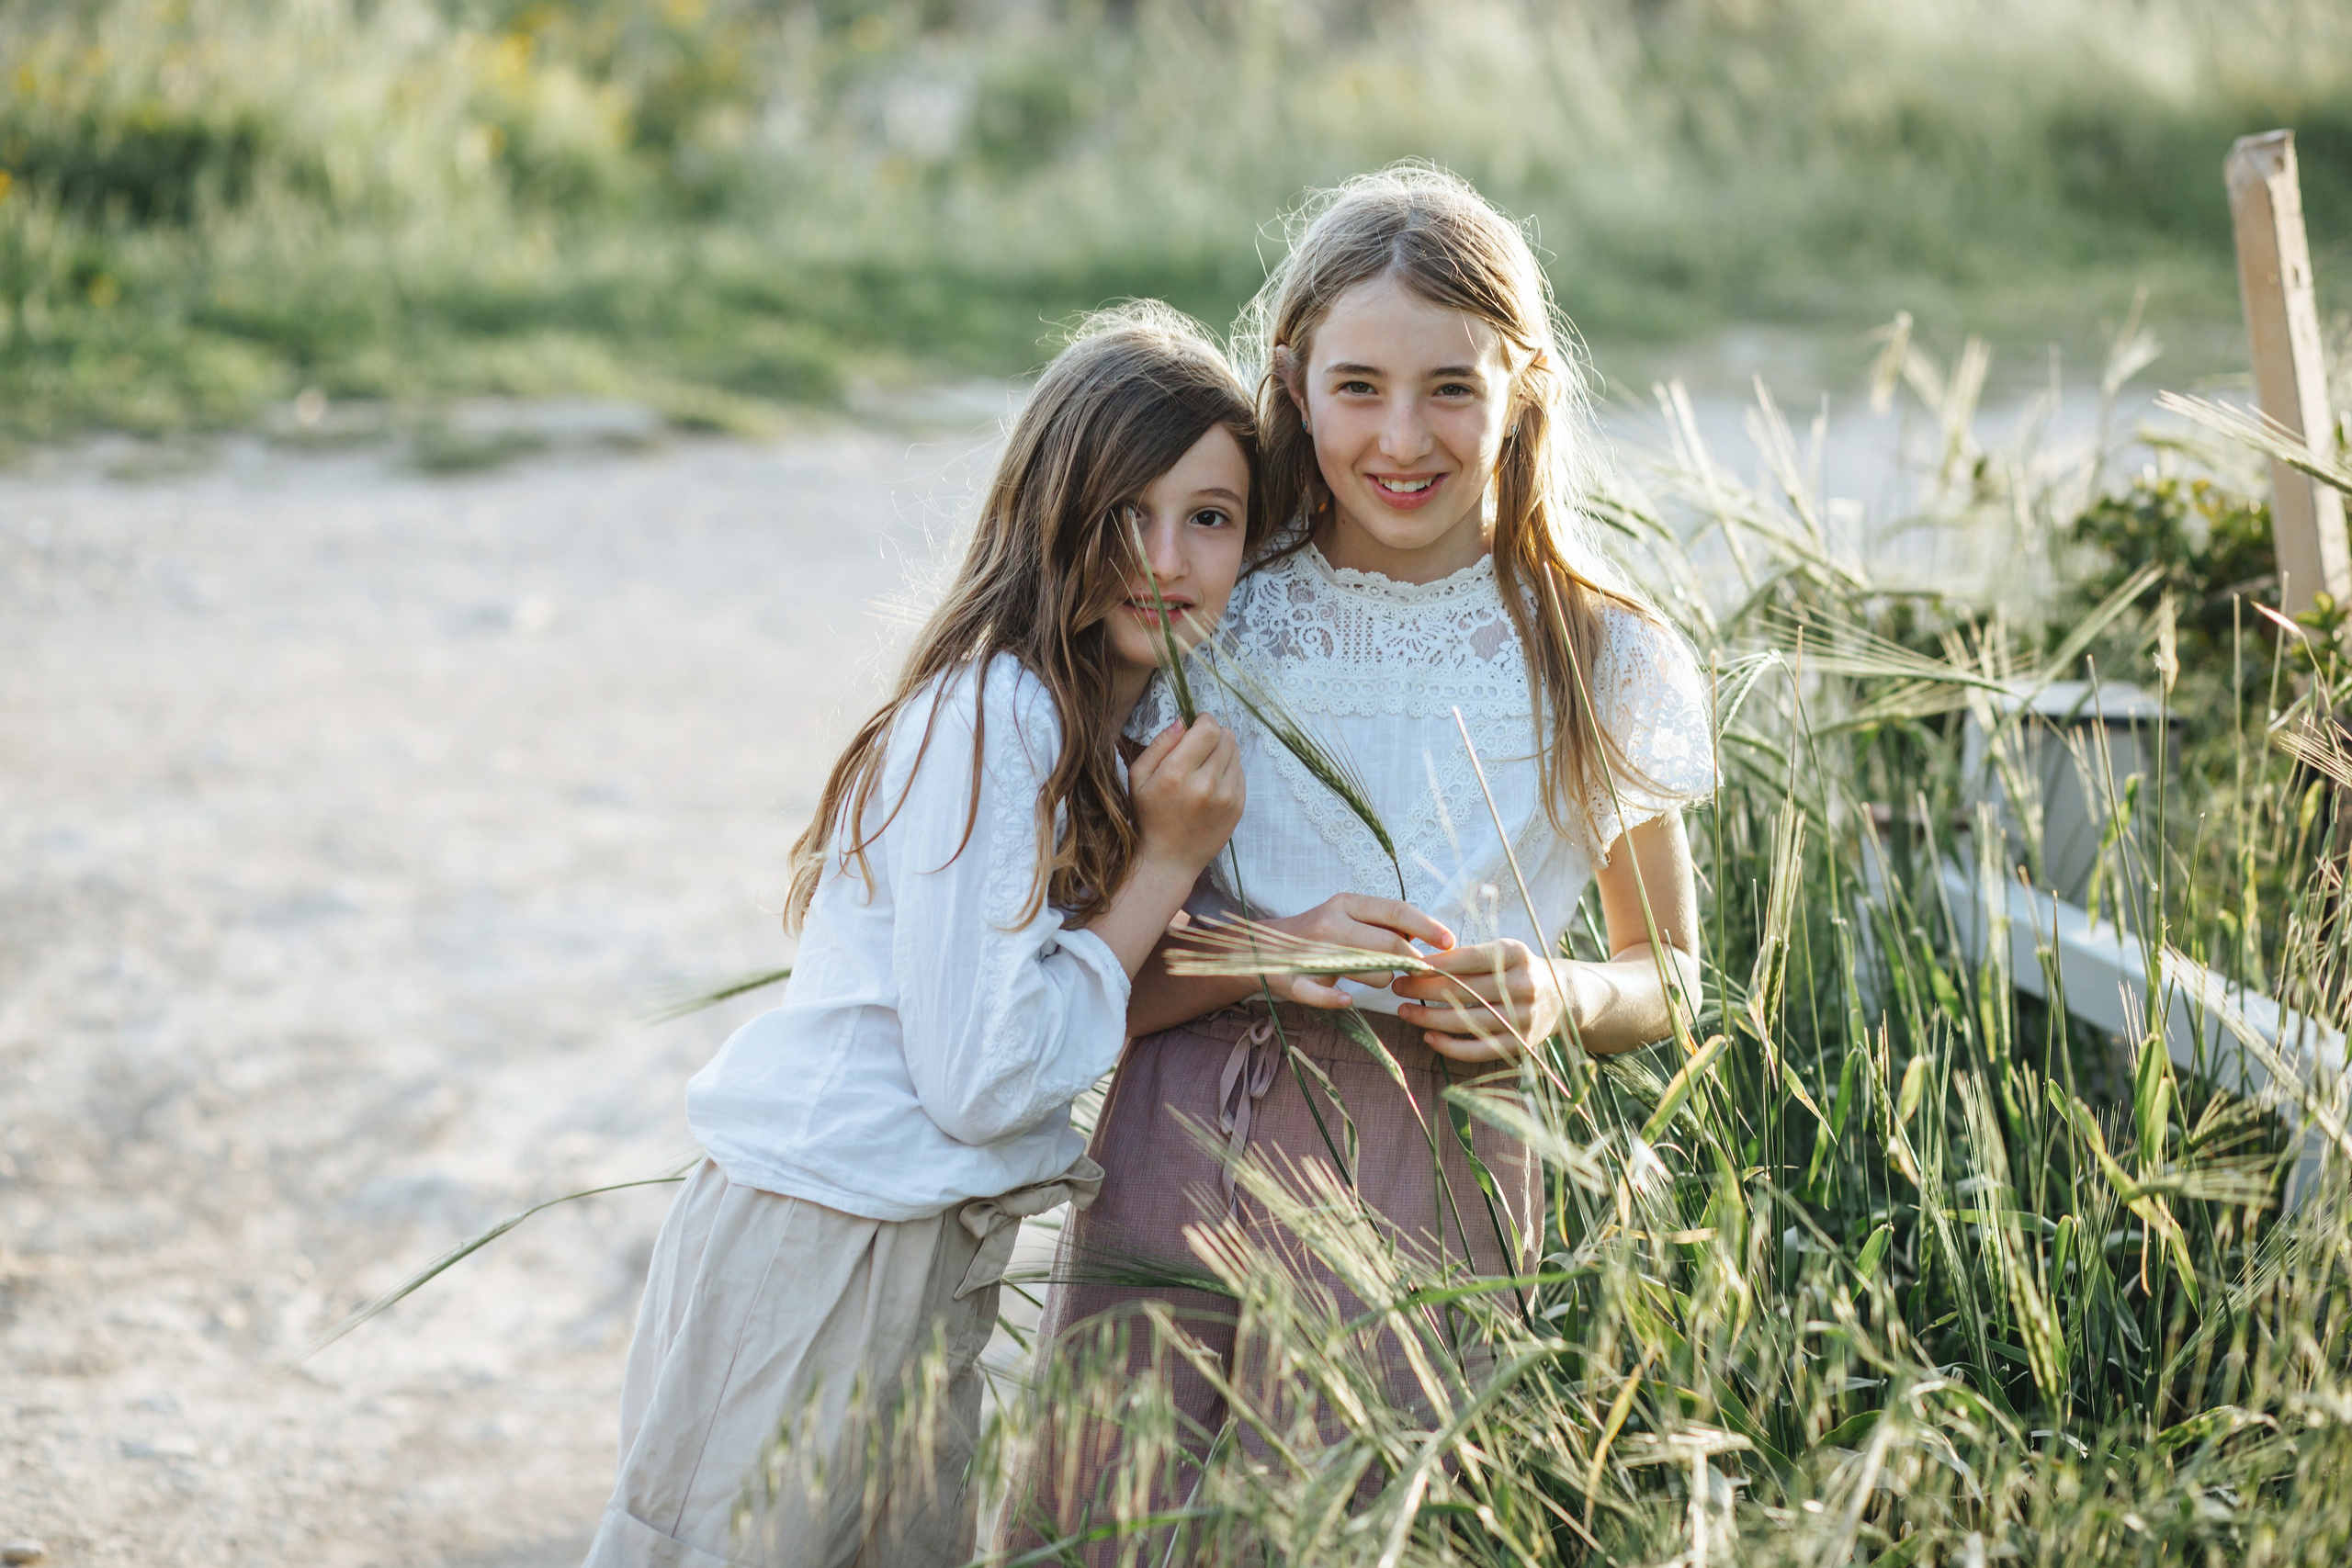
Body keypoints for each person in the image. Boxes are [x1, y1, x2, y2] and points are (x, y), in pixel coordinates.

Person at [1005, 165, 1717, 1561]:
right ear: (1293, 380)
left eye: (1452, 386)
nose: (1404, 436)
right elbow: (1081, 978)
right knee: (1120, 1527)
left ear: (1525, 389)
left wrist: (1562, 997)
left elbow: (1671, 981)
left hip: (1447, 1178)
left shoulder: (1599, 655)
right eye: (1358, 388)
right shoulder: (1207, 613)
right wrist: (1275, 952)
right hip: (1183, 1149)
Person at [582, 302, 1273, 1568]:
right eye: (1128, 512)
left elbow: (1082, 998)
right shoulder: (994, 714)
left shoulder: (1102, 742)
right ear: (1051, 508)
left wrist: (1285, 948)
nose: (1164, 557)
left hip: (922, 1245)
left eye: (1210, 518)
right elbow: (984, 1078)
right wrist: (1167, 865)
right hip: (824, 1238)